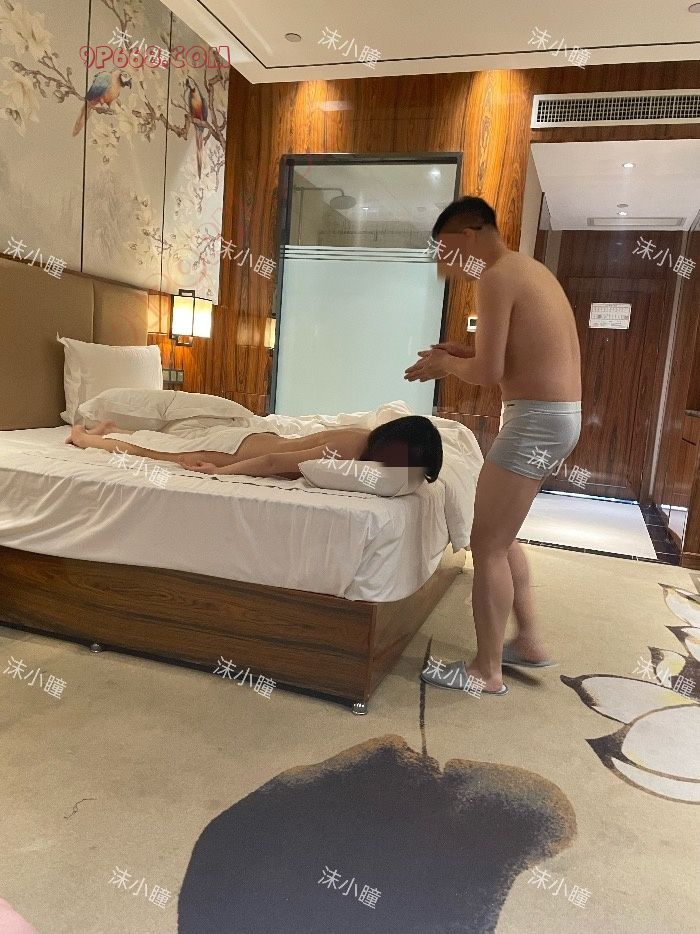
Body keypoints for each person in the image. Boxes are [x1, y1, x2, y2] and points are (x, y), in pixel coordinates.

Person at [406, 195, 582, 696]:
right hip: (557, 417)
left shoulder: (495, 276)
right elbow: (513, 355)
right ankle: (529, 641)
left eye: (446, 253)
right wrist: (461, 352)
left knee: (487, 546)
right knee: (502, 536)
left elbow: (488, 372)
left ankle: (486, 671)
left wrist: (446, 365)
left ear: (468, 236)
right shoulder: (529, 270)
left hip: (536, 422)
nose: (446, 268)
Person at [67, 414, 443, 483]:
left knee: (165, 446)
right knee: (154, 454)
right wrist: (221, 473)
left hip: (255, 442)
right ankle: (83, 437)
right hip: (242, 449)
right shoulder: (352, 448)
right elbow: (275, 461)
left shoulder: (367, 443)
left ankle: (108, 431)